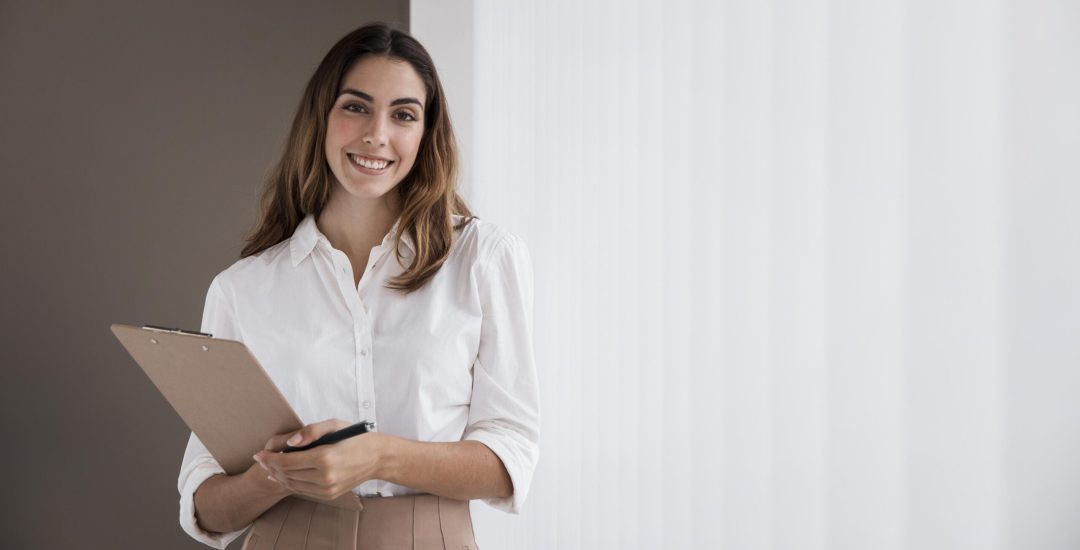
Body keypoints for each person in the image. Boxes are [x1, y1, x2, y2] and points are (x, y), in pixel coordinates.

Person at [176, 22, 539, 549]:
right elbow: (206, 507)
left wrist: (378, 455)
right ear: (321, 117)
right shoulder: (243, 288)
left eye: (403, 115)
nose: (376, 134)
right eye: (355, 107)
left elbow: (511, 459)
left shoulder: (483, 258)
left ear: (426, 133)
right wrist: (278, 474)